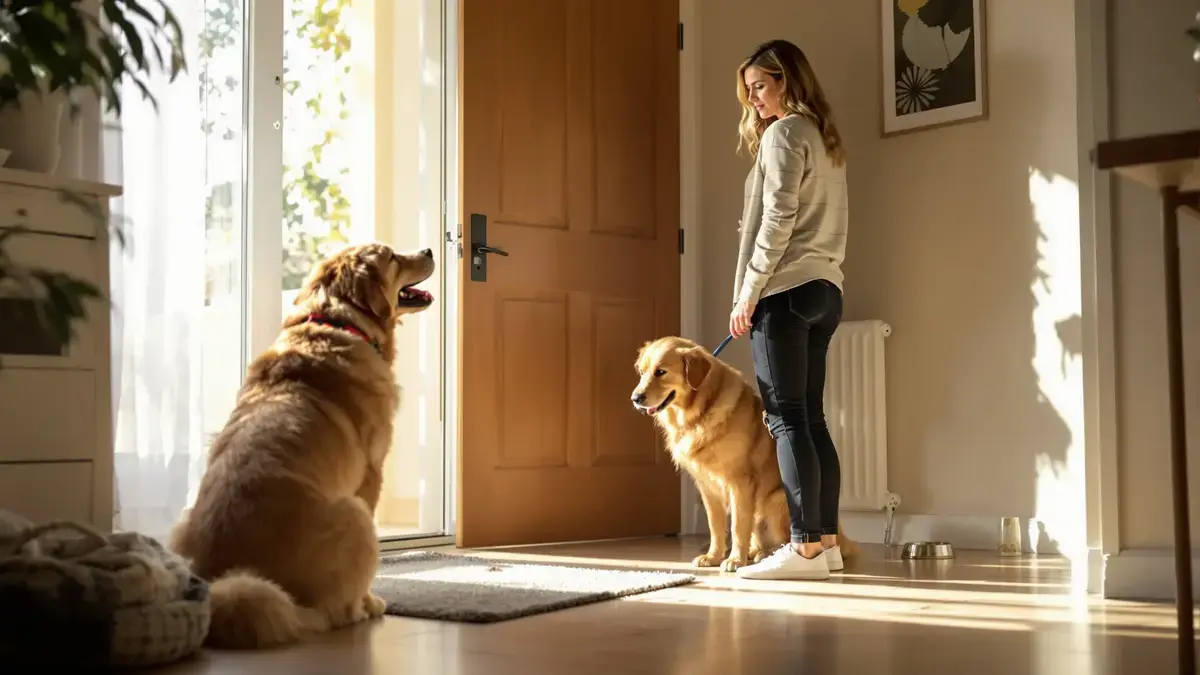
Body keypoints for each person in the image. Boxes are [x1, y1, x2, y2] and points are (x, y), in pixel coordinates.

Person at [727, 39, 848, 581]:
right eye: (748, 89)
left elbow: (777, 219)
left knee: (785, 421)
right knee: (810, 419)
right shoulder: (824, 137)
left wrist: (749, 291)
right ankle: (826, 545)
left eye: (761, 85)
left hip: (785, 289)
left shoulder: (782, 133)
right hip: (826, 289)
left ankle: (803, 551)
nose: (754, 99)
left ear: (787, 81)